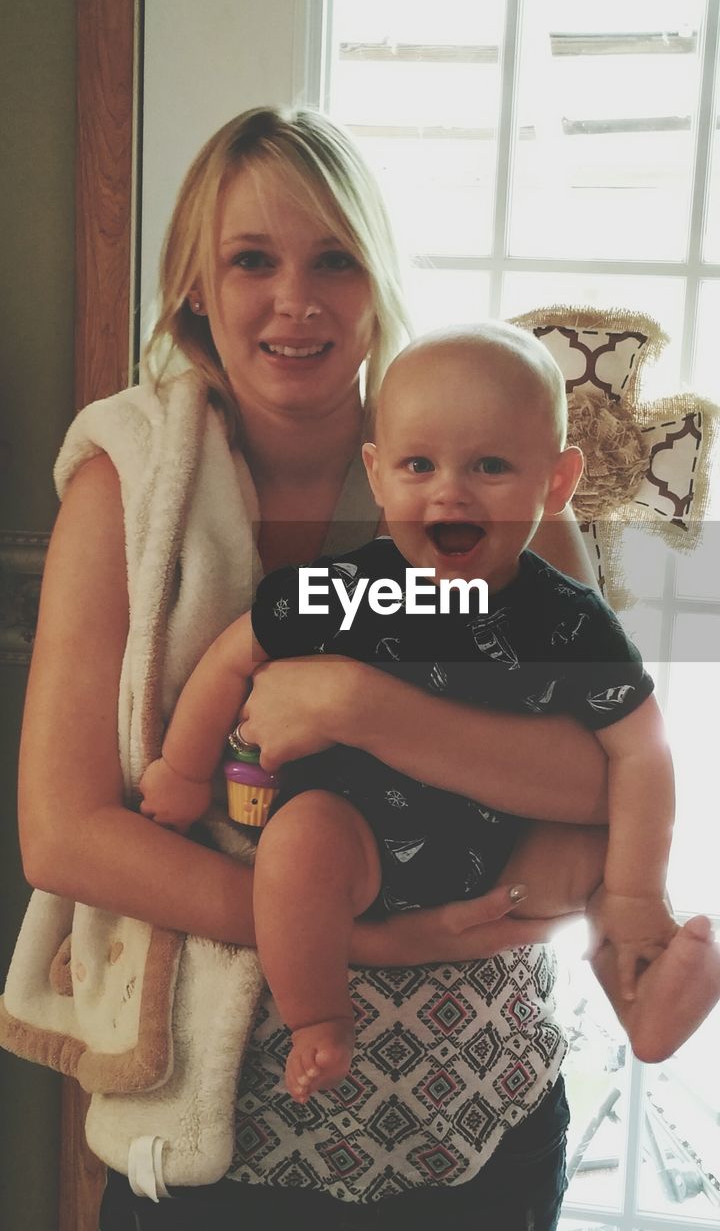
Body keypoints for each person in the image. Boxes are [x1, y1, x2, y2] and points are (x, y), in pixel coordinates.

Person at [20, 106, 625, 1231]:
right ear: (197, 282)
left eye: (333, 258)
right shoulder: (124, 490)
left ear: (376, 276)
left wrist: (363, 705)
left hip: (478, 1112)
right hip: (219, 1149)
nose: (295, 298)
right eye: (253, 258)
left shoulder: (485, 472)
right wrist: (357, 939)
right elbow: (62, 832)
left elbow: (605, 776)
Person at [139, 321, 720, 1106]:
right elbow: (233, 657)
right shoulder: (345, 588)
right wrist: (180, 769)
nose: (451, 492)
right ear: (377, 477)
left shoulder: (569, 619)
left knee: (602, 851)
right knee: (298, 849)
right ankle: (319, 1018)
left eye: (490, 466)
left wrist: (637, 894)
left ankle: (641, 996)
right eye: (419, 465)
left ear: (554, 483)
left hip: (505, 854)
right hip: (360, 840)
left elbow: (643, 751)